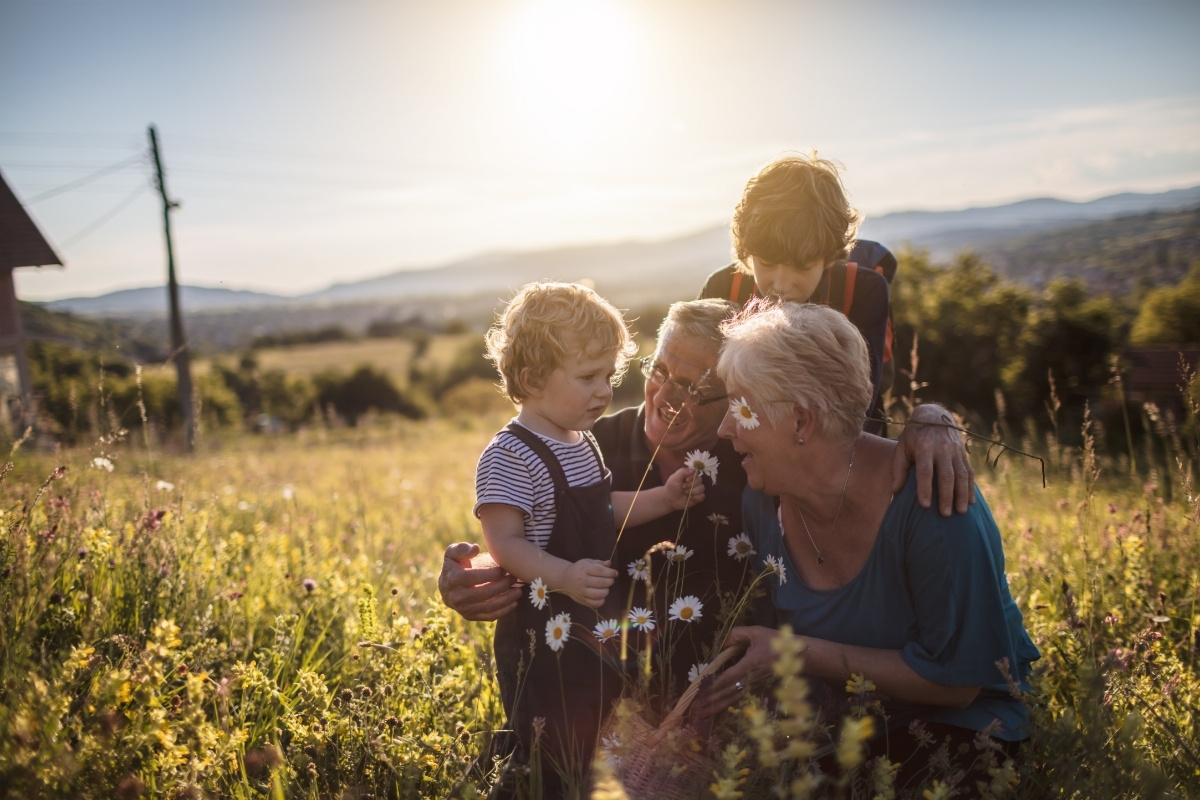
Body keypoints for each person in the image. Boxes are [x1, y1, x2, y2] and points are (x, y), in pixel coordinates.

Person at [700, 301, 1039, 777]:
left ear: (800, 421)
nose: (725, 428)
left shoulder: (933, 501)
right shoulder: (762, 501)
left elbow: (958, 685)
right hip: (846, 731)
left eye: (740, 406)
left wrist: (791, 652)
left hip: (963, 733)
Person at [474, 282, 704, 798]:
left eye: (609, 376)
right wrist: (563, 576)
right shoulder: (510, 454)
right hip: (541, 631)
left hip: (592, 620)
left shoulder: (581, 442)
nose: (604, 391)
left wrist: (664, 499)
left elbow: (603, 510)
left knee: (595, 732)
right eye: (587, 377)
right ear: (532, 380)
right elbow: (504, 542)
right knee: (548, 740)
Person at [700, 153, 892, 433]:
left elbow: (859, 406)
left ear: (828, 256)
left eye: (801, 267)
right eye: (767, 263)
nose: (781, 285)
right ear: (747, 252)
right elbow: (699, 390)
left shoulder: (863, 291)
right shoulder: (723, 288)